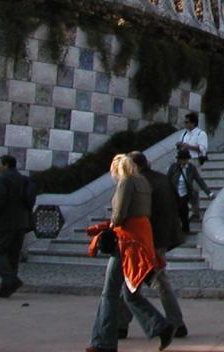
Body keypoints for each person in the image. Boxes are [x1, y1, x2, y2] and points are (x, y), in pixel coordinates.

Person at [87, 154, 174, 352]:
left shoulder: (126, 183)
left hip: (126, 240)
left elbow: (119, 215)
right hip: (142, 236)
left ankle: (103, 343)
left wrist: (108, 226)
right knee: (130, 293)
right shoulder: (142, 182)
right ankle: (161, 327)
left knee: (109, 293)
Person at [119, 152, 187, 340]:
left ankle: (122, 324)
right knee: (144, 281)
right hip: (162, 236)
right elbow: (178, 202)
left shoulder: (138, 183)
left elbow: (137, 213)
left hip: (146, 239)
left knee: (135, 281)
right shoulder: (162, 179)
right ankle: (175, 322)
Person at [0, 154, 35, 298]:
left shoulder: (2, 179)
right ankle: (6, 288)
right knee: (13, 255)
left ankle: (11, 280)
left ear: (6, 165)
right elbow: (30, 199)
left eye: (0, 164)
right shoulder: (24, 179)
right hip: (21, 222)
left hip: (6, 222)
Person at [167, 150, 212, 234]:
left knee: (184, 210)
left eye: (186, 159)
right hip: (174, 193)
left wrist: (208, 192)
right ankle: (178, 229)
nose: (185, 161)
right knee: (177, 211)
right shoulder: (174, 167)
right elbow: (167, 179)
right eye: (183, 160)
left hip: (185, 193)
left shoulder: (191, 168)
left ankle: (185, 229)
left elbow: (199, 180)